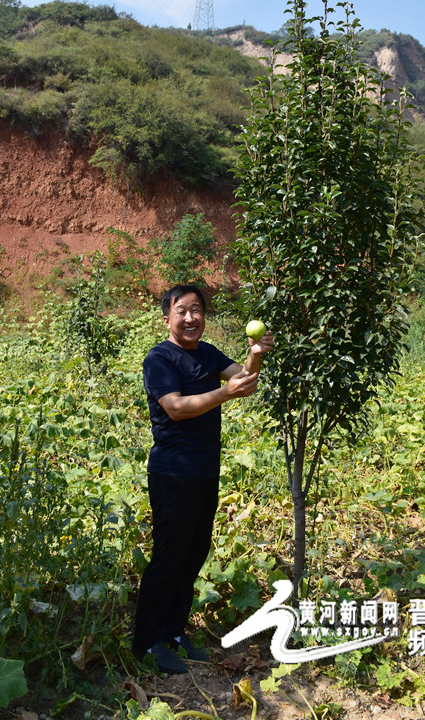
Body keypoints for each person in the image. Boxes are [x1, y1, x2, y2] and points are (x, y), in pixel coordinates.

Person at [132, 283, 273, 674]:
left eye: (197, 310)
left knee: (193, 554)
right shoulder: (159, 359)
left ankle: (174, 631)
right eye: (183, 311)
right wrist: (222, 393)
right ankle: (148, 641)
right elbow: (175, 408)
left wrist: (255, 354)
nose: (192, 318)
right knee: (168, 557)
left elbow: (243, 383)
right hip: (172, 472)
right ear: (167, 318)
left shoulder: (208, 353)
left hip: (203, 470)